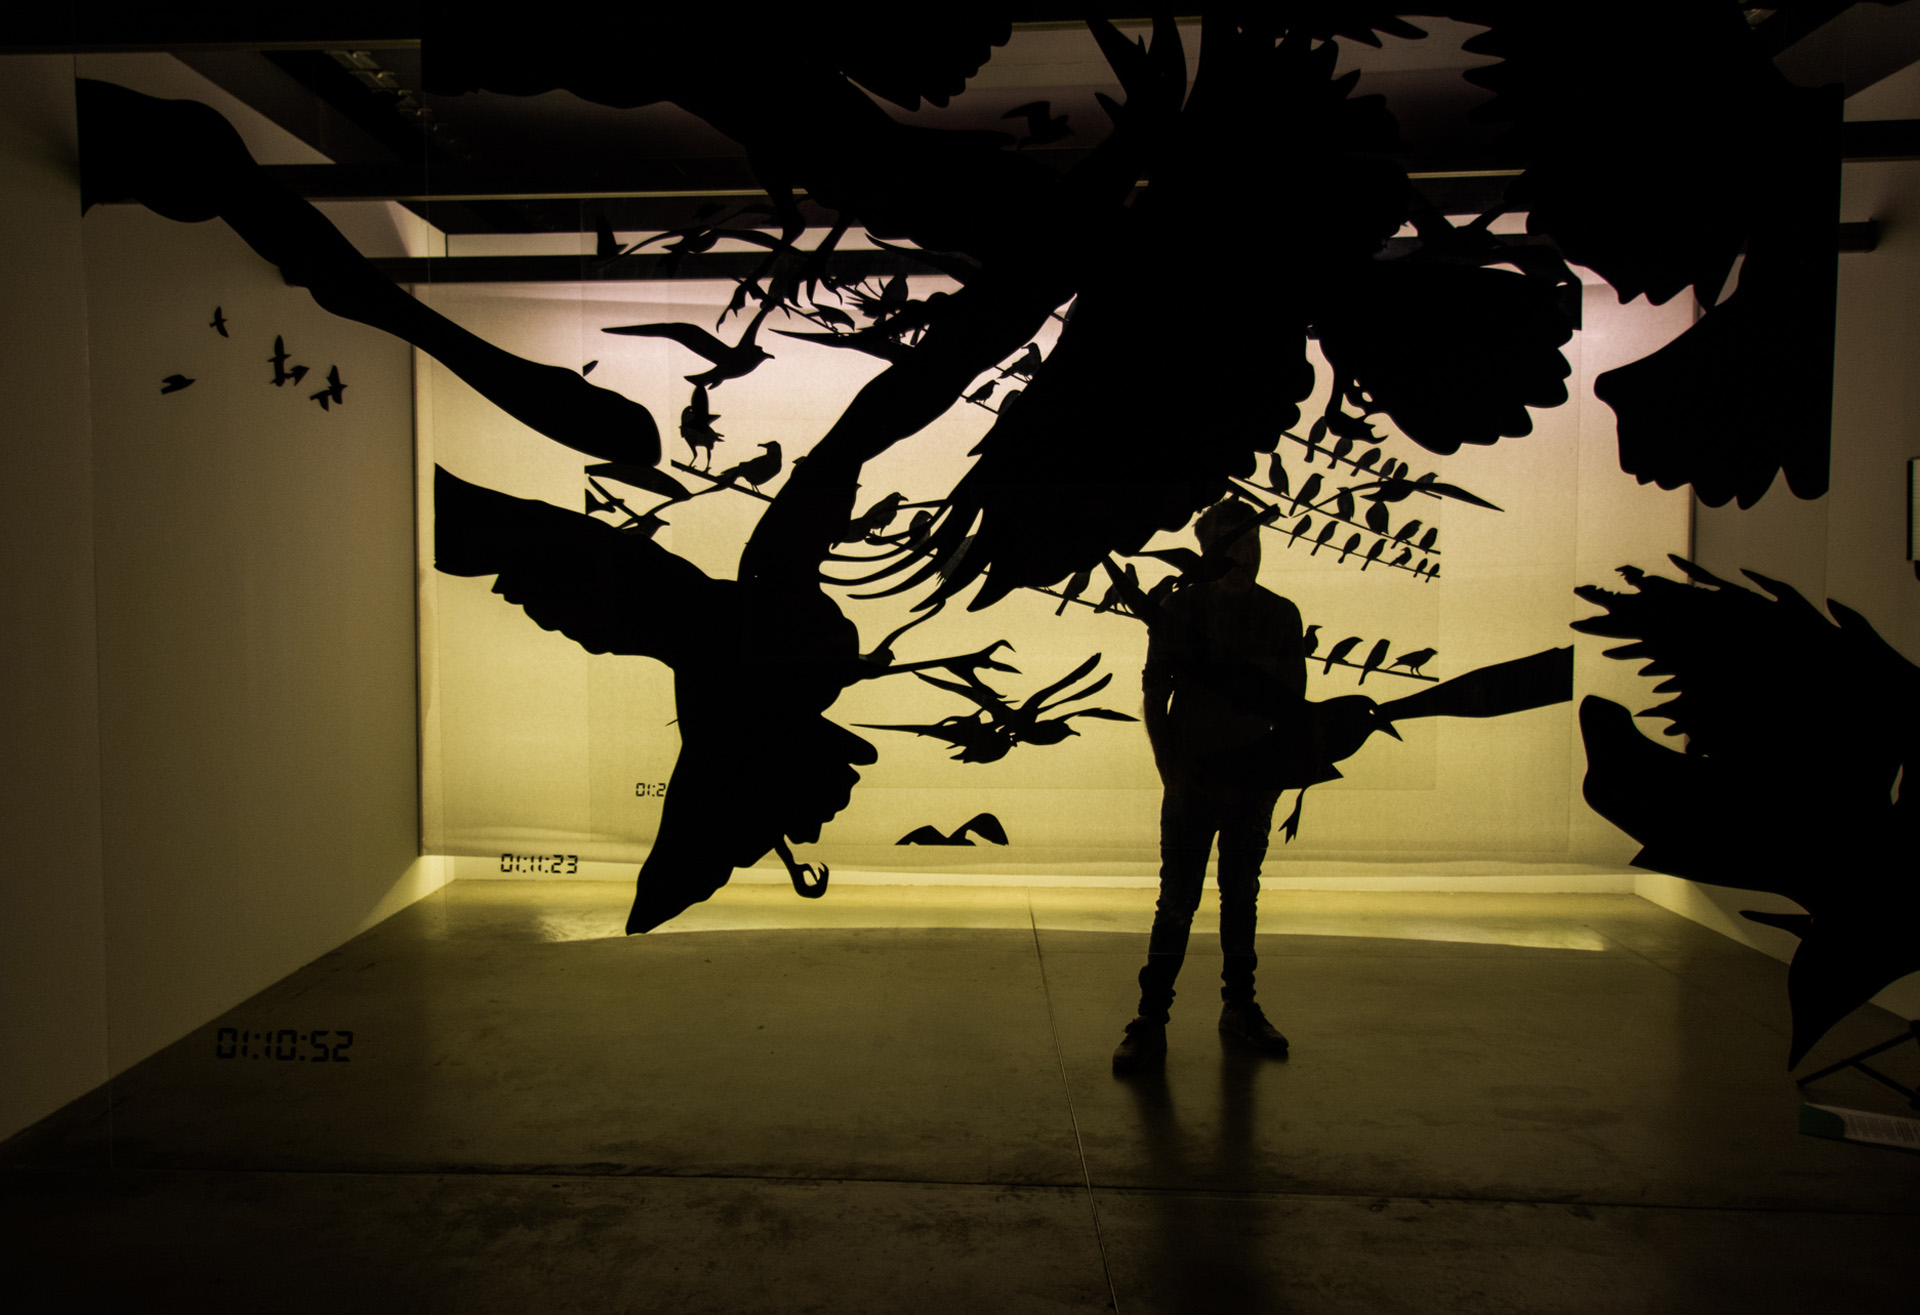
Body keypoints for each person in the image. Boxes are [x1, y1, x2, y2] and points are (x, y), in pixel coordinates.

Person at [1113, 498, 1303, 1074]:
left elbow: (1291, 707)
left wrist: (1273, 781)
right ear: (1206, 548)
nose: (1246, 554)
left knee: (1240, 896)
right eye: (1233, 543)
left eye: (1253, 542)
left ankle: (1238, 1007)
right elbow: (1154, 692)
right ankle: (1151, 1017)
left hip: (1251, 782)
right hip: (1193, 780)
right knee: (1178, 900)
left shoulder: (1281, 614)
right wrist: (1170, 771)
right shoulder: (1181, 609)